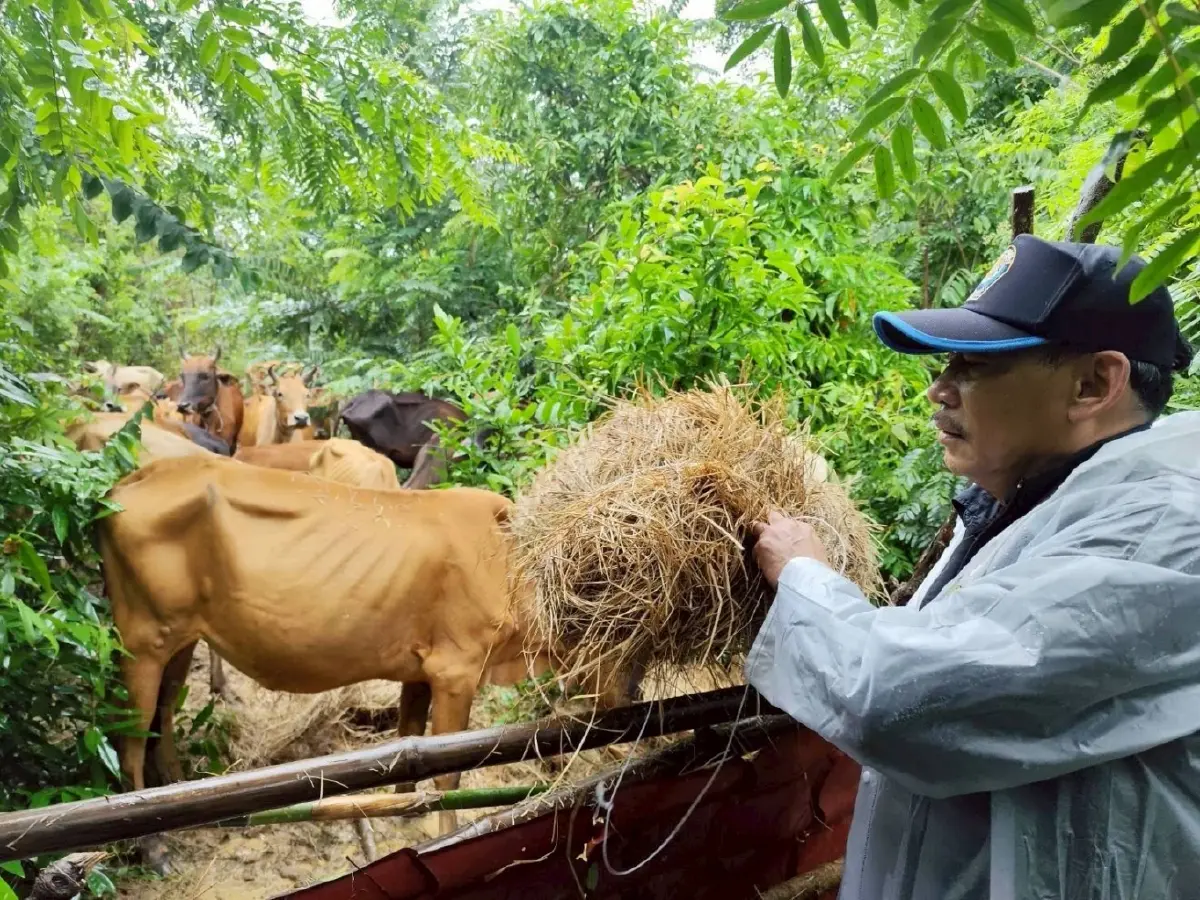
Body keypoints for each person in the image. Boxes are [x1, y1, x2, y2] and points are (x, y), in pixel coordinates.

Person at [745, 233, 1200, 899]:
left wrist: (806, 578)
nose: (939, 389)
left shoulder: (1161, 535)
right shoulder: (1033, 508)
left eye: (974, 364)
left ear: (1094, 382)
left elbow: (903, 700)